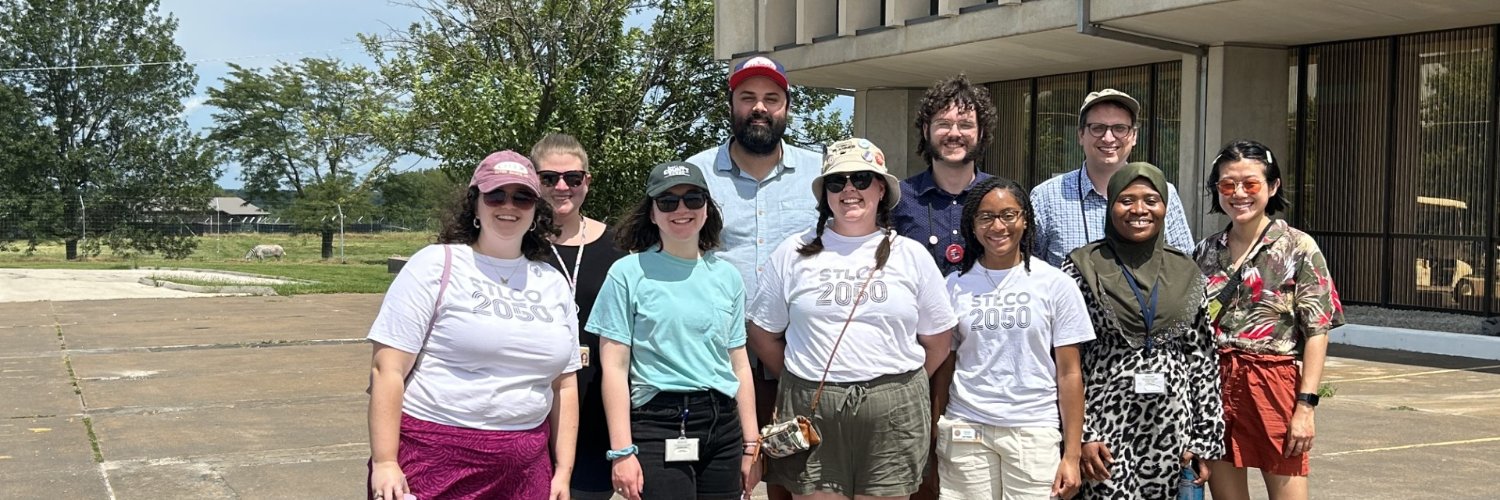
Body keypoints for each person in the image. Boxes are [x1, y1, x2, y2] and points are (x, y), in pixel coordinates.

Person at [748, 138, 957, 500]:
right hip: (813, 405)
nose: (849, 190)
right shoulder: (792, 252)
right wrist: (803, 377)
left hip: (893, 410)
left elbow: (939, 338)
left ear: (881, 188)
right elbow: (762, 332)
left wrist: (898, 389)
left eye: (861, 179)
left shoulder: (911, 255)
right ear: (825, 194)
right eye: (836, 182)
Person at [367, 150, 580, 500]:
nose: (508, 205)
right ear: (475, 204)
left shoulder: (552, 282)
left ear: (536, 211)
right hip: (434, 456)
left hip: (527, 465)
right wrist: (385, 461)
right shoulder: (436, 264)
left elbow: (565, 385)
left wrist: (563, 471)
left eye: (522, 197)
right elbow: (386, 369)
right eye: (495, 195)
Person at [688, 55, 823, 500]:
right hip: (717, 358)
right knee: (727, 480)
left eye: (771, 98)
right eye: (748, 97)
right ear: (731, 105)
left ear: (787, 107)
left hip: (799, 356)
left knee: (798, 480)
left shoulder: (822, 173)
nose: (760, 107)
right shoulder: (697, 174)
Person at [589, 161, 760, 500]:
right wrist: (622, 452)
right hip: (658, 423)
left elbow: (738, 362)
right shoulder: (627, 273)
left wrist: (751, 444)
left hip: (723, 424)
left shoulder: (727, 276)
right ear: (652, 214)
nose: (681, 209)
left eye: (693, 199)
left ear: (707, 208)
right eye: (667, 202)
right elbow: (615, 368)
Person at [1061, 162, 1223, 499]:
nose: (1139, 210)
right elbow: (1065, 359)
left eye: (1151, 200)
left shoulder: (1187, 271)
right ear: (1110, 206)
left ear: (1165, 206)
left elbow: (1202, 358)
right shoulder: (1081, 266)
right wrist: (1082, 435)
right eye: (1126, 200)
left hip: (1173, 428)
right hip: (1104, 426)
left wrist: (1203, 440)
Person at [1192, 140, 1344, 500]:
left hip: (1273, 381)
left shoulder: (1298, 246)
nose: (1238, 194)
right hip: (1214, 384)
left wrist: (1306, 406)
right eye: (1227, 185)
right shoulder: (1205, 250)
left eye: (1250, 183)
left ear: (1273, 186)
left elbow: (1317, 330)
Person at [932, 176, 1093, 500]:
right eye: (986, 217)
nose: (998, 226)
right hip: (967, 428)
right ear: (972, 224)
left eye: (1008, 215)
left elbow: (1070, 372)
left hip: (1033, 431)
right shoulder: (953, 286)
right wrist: (935, 432)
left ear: (1025, 220)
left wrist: (1072, 455)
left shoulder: (1055, 284)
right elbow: (945, 367)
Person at [531, 133, 631, 500]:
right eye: (549, 178)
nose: (562, 187)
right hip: (535, 408)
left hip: (598, 408)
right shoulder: (517, 245)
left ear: (586, 181)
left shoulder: (619, 248)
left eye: (572, 178)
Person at [1031, 89, 1195, 267]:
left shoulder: (1162, 192)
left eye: (1119, 128)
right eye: (1097, 128)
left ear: (1134, 136)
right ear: (1081, 135)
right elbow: (1028, 267)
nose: (1108, 138)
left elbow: (1184, 264)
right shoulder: (1046, 196)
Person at [893, 74, 996, 277]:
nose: (954, 133)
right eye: (943, 124)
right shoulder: (899, 199)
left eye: (965, 125)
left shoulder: (1001, 196)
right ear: (926, 130)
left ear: (981, 132)